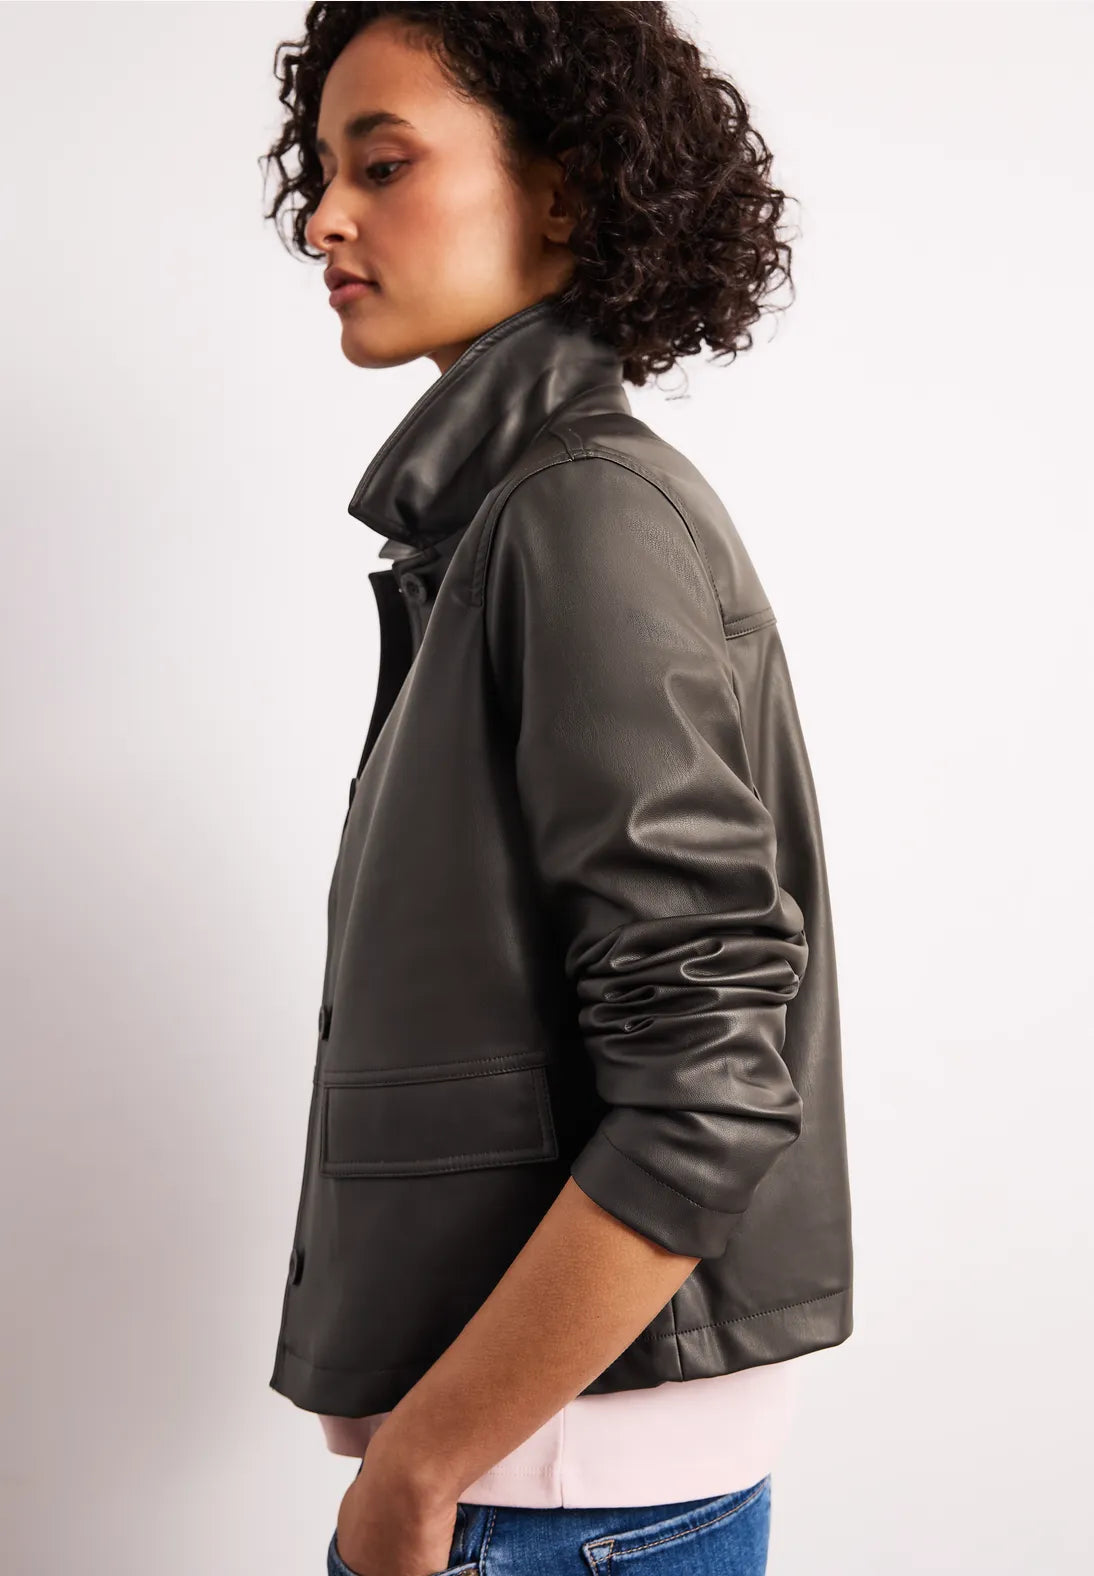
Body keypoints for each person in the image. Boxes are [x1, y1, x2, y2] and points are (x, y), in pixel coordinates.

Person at [261, 6, 853, 1574]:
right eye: (322, 173)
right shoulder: (512, 517)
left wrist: (418, 1471)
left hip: (554, 1501)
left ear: (568, 188)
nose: (324, 219)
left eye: (384, 165)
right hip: (558, 1487)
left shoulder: (576, 513)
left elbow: (707, 1077)